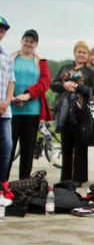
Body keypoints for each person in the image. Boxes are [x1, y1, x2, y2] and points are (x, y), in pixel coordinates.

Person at [50, 41, 94, 186]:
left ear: (87, 55)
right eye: (79, 52)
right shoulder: (65, 68)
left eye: (84, 52)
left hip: (82, 112)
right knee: (66, 145)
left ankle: (79, 178)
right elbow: (53, 85)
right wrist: (64, 85)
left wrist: (79, 87)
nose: (81, 55)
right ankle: (65, 178)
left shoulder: (91, 72)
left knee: (80, 146)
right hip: (65, 111)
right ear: (74, 53)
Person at [8, 29, 52, 180]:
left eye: (32, 41)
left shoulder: (41, 62)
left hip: (32, 111)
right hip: (11, 110)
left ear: (36, 44)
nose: (28, 44)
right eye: (26, 40)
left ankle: (23, 184)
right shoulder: (11, 58)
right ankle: (3, 183)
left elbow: (44, 83)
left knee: (27, 151)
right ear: (21, 41)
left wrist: (26, 95)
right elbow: (4, 79)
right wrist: (12, 97)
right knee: (8, 148)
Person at [0, 16, 14, 184]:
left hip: (5, 109)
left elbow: (11, 81)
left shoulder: (7, 56)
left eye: (2, 31)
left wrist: (7, 102)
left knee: (7, 146)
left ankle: (2, 183)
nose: (0, 33)